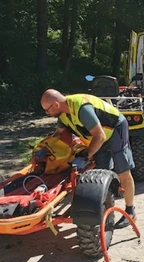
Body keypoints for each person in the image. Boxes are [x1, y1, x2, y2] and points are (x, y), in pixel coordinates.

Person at [41, 89, 137, 228]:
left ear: (56, 105)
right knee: (100, 175)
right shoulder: (63, 115)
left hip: (115, 129)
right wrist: (45, 148)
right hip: (99, 136)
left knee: (123, 171)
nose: (47, 113)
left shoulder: (81, 108)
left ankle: (130, 211)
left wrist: (86, 155)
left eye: (47, 110)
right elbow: (59, 134)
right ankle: (104, 208)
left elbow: (101, 136)